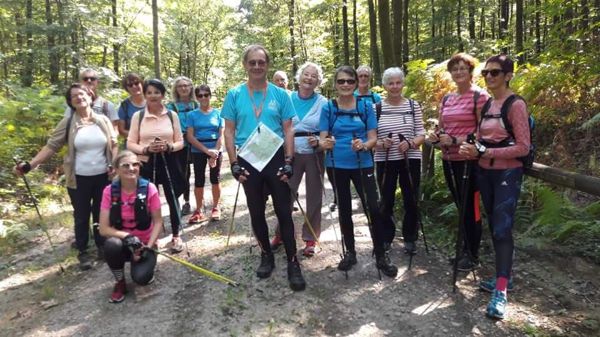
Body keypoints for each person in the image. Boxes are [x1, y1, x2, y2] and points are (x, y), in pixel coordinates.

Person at [222, 44, 306, 291]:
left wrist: (289, 161)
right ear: (245, 65)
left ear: (267, 65)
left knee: (283, 211)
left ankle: (293, 262)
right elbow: (228, 130)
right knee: (256, 211)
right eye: (252, 62)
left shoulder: (281, 94)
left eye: (261, 62)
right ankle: (265, 254)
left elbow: (289, 128)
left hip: (276, 157)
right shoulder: (234, 94)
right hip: (248, 159)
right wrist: (234, 163)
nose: (257, 66)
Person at [15, 83, 118, 270]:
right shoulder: (69, 122)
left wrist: (114, 163)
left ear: (90, 95)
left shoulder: (103, 120)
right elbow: (51, 146)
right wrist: (30, 165)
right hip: (78, 177)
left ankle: (102, 245)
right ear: (70, 102)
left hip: (103, 176)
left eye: (82, 94)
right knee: (81, 215)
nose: (79, 98)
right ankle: (83, 252)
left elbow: (114, 143)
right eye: (74, 97)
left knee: (101, 212)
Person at [459, 54, 530, 320]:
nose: (489, 77)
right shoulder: (489, 103)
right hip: (485, 173)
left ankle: (501, 291)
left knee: (502, 229)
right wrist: (472, 149)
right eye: (486, 73)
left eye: (495, 73)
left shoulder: (516, 105)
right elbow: (481, 137)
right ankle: (503, 278)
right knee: (494, 225)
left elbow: (523, 147)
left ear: (508, 75)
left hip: (507, 175)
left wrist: (486, 151)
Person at [318, 66, 398, 278]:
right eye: (341, 81)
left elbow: (373, 137)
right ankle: (350, 252)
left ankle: (381, 254)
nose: (345, 85)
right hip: (336, 164)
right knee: (344, 208)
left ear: (356, 84)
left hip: (362, 163)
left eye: (349, 81)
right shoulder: (328, 107)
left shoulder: (365, 106)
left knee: (373, 207)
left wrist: (363, 145)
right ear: (335, 84)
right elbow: (322, 138)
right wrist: (325, 142)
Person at [428, 52, 490, 272]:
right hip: (449, 159)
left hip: (469, 161)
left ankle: (473, 254)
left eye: (463, 68)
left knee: (470, 208)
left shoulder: (479, 97)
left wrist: (456, 140)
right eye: (455, 69)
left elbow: (484, 131)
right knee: (460, 206)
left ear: (470, 71)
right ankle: (464, 249)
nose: (458, 72)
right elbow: (442, 126)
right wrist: (437, 135)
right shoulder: (447, 98)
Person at [270, 62, 328, 257]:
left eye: (313, 76)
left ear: (318, 81)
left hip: (314, 154)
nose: (309, 78)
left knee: (314, 198)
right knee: (285, 195)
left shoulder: (323, 103)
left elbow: (327, 132)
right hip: (289, 154)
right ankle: (280, 234)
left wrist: (319, 140)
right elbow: (277, 125)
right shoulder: (286, 98)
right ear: (299, 76)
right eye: (306, 74)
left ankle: (310, 238)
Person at [127, 79, 186, 253]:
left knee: (173, 198)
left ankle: (176, 235)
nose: (153, 96)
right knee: (148, 201)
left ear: (163, 94)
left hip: (169, 161)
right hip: (146, 163)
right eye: (149, 92)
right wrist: (145, 149)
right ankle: (153, 237)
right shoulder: (138, 117)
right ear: (144, 95)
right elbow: (130, 143)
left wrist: (169, 147)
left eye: (157, 92)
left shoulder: (171, 115)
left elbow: (180, 141)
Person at [99, 150, 162, 303]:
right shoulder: (109, 192)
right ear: (116, 169)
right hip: (123, 244)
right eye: (125, 165)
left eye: (135, 164)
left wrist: (148, 246)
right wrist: (127, 236)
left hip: (145, 244)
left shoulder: (149, 188)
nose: (131, 168)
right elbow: (103, 229)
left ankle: (143, 265)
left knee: (141, 278)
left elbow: (158, 221)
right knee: (111, 245)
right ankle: (120, 282)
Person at [374, 67, 426, 254]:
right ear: (385, 85)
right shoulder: (376, 108)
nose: (395, 86)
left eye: (398, 82)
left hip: (410, 158)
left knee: (411, 198)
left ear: (403, 83)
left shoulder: (413, 106)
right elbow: (371, 139)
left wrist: (411, 143)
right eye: (391, 83)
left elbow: (422, 133)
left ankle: (410, 237)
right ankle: (387, 237)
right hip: (385, 159)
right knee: (386, 199)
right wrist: (381, 143)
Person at [186, 85, 223, 223]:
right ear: (196, 97)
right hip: (198, 149)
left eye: (206, 95)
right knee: (199, 180)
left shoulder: (218, 113)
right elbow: (190, 136)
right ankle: (199, 210)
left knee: (215, 178)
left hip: (215, 148)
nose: (203, 98)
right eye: (200, 95)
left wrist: (215, 152)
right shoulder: (192, 115)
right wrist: (207, 151)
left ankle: (215, 207)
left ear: (210, 96)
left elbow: (222, 135)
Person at [166, 76, 199, 216]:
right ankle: (176, 202)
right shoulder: (170, 106)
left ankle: (187, 201)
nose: (184, 88)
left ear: (191, 87)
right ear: (176, 89)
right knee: (178, 173)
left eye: (186, 85)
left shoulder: (196, 105)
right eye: (180, 86)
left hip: (195, 144)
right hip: (178, 145)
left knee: (189, 173)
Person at [117, 72, 146, 139]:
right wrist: (140, 136)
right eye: (130, 85)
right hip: (132, 144)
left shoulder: (152, 101)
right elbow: (121, 130)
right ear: (127, 89)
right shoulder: (124, 106)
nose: (134, 86)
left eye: (136, 83)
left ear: (141, 84)